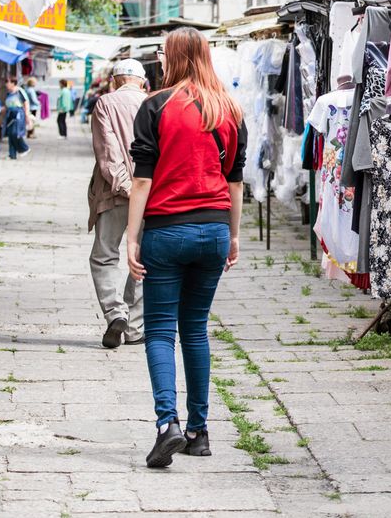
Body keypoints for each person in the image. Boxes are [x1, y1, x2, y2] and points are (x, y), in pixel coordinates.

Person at [126, 28, 246, 469]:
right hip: (214, 229)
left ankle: (166, 425)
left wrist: (132, 237)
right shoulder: (230, 109)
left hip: (165, 231)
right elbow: (234, 182)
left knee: (159, 331)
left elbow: (141, 180)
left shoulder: (155, 106)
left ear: (172, 57)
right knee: (195, 329)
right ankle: (199, 431)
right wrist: (232, 235)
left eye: (163, 51)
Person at [88, 60, 148, 349]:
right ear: (143, 82)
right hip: (151, 194)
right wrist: (141, 191)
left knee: (104, 256)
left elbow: (108, 154)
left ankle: (115, 313)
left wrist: (126, 188)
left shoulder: (105, 104)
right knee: (143, 260)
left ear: (114, 81)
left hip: (114, 194)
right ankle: (135, 328)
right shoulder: (155, 104)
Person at [2, 79, 31, 160]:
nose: (6, 84)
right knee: (10, 134)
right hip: (10, 114)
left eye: (7, 82)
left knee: (15, 133)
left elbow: (26, 103)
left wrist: (27, 115)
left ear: (13, 83)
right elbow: (7, 104)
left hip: (18, 114)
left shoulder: (19, 91)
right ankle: (12, 154)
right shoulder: (8, 93)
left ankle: (24, 148)